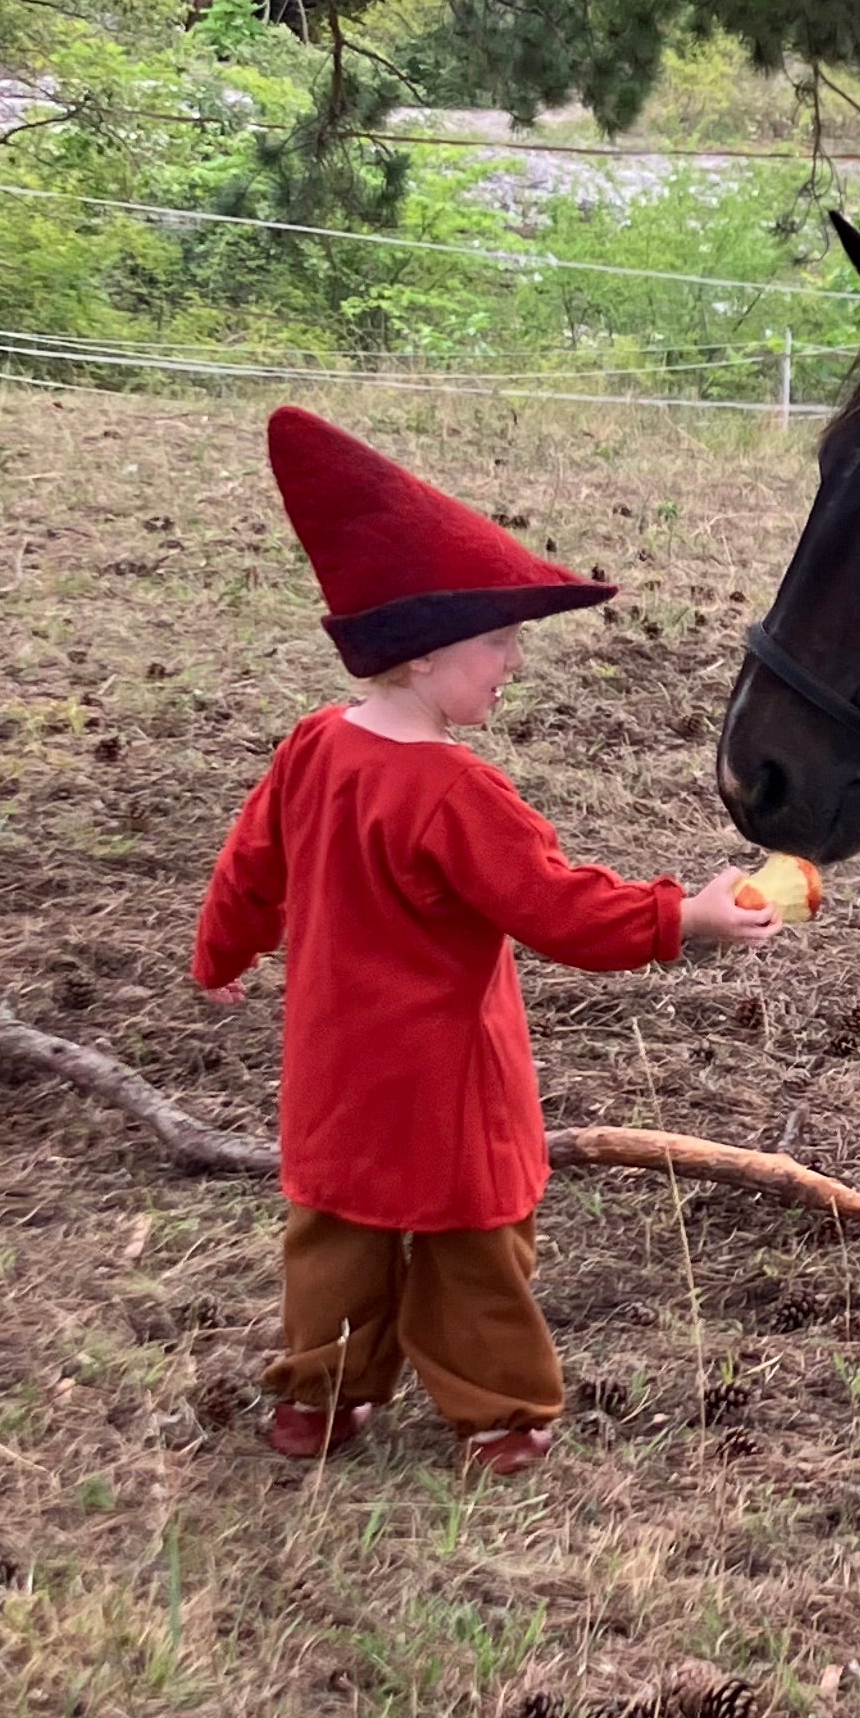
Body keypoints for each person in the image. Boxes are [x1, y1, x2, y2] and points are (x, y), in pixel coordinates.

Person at [195, 405, 780, 1477]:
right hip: (448, 1077)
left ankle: (318, 1401)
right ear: (422, 653)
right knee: (474, 1244)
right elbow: (557, 907)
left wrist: (222, 953)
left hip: (333, 1067)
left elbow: (250, 866)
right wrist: (684, 918)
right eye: (498, 642)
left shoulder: (315, 746)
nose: (513, 662)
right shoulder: (458, 792)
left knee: (335, 1235)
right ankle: (501, 1415)